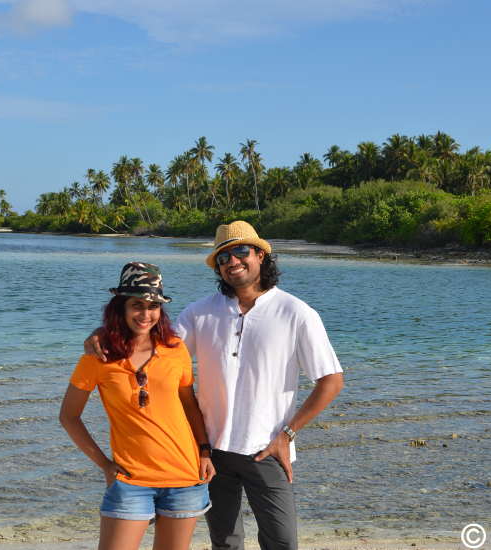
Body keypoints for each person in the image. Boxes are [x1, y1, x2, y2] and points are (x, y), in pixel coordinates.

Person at [86, 221, 344, 550]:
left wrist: (288, 434)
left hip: (266, 449)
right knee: (225, 543)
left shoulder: (296, 313)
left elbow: (331, 380)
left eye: (240, 251)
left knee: (282, 542)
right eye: (223, 257)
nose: (232, 261)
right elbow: (153, 346)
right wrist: (103, 333)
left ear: (261, 255)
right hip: (211, 452)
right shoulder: (200, 313)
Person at [60, 262, 216, 550]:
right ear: (120, 307)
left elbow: (189, 404)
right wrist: (105, 465)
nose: (145, 314)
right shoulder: (98, 357)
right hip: (130, 480)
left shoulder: (175, 349)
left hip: (185, 476)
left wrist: (205, 452)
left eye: (153, 306)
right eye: (136, 305)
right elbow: (69, 417)